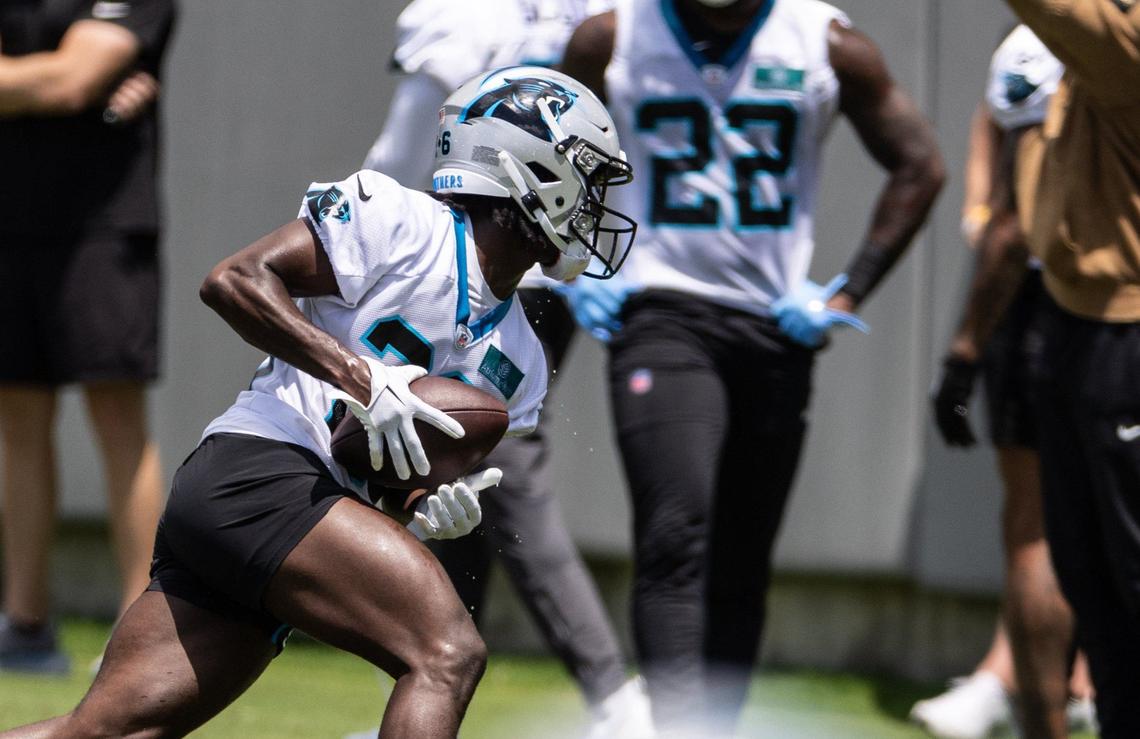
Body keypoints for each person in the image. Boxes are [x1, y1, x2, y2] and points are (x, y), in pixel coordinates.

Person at [0, 65, 637, 738]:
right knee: (446, 652)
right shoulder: (400, 220)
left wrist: (426, 503)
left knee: (102, 731)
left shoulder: (522, 358)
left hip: (299, 509)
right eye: (588, 179)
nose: (595, 206)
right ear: (527, 165)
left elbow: (385, 464)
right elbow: (235, 280)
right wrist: (359, 376)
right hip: (263, 469)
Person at [559, 0, 944, 732]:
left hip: (774, 325)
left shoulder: (826, 44)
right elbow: (533, 150)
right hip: (660, 312)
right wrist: (574, 267)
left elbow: (921, 165)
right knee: (676, 534)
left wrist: (846, 292)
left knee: (742, 556)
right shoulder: (613, 34)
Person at [359, 2, 654, 737]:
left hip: (504, 257)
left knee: (500, 466)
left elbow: (441, 125)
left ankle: (613, 696)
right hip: (466, 252)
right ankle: (430, 697)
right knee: (463, 484)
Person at [937, 1, 1140, 735]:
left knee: (1127, 576)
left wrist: (963, 351)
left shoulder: (1125, 40)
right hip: (1070, 324)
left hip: (1125, 335)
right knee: (1092, 582)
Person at [0, 0, 176, 674]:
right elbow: (71, 81)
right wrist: (57, 82)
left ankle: (141, 630)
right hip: (11, 219)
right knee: (18, 416)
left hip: (106, 227)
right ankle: (25, 623)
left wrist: (47, 83)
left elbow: (74, 78)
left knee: (117, 415)